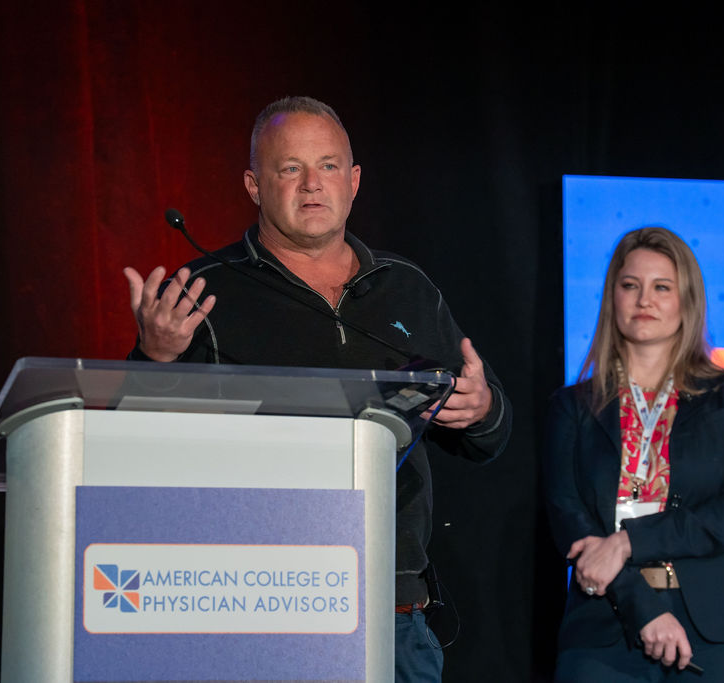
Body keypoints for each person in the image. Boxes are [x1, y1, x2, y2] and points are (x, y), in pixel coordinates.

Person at [123, 96, 511, 682]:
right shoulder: (203, 293)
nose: (312, 184)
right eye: (290, 168)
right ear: (254, 186)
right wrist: (154, 357)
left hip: (391, 612)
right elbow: (136, 449)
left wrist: (480, 408)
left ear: (353, 182)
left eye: (328, 166)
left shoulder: (406, 287)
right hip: (254, 605)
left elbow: (487, 437)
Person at [542, 227, 724, 681]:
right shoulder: (571, 407)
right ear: (612, 298)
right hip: (606, 622)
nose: (644, 300)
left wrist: (628, 541)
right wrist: (643, 608)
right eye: (630, 285)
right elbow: (570, 523)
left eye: (662, 287)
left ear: (687, 301)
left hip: (722, 626)